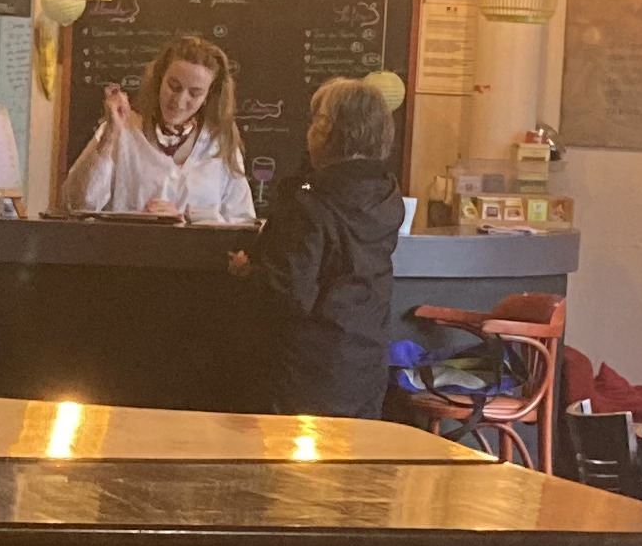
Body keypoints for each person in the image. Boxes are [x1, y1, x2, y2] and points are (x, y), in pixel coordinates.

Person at [235, 72, 411, 417]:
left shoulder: (309, 206)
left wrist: (246, 272)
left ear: (328, 131)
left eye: (316, 121)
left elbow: (290, 293)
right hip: (365, 368)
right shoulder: (387, 196)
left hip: (307, 372)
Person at [61, 36, 257, 223]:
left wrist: (187, 216)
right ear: (159, 79)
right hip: (124, 255)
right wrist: (110, 136)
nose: (180, 101)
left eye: (194, 93)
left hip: (196, 258)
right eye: (174, 86)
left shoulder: (219, 144)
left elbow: (241, 222)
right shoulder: (123, 129)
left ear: (207, 96)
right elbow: (76, 205)